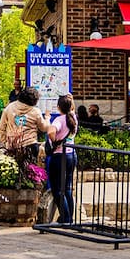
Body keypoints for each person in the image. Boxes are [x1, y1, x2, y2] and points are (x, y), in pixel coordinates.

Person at [46, 93, 78, 225]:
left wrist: (55, 141)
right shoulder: (73, 118)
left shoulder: (59, 120)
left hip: (59, 156)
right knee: (68, 188)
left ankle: (65, 218)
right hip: (71, 154)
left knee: (58, 189)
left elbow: (50, 132)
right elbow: (72, 109)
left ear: (59, 107)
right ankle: (69, 217)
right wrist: (71, 99)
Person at [0, 86, 47, 160]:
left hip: (12, 145)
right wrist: (47, 119)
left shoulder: (9, 108)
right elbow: (43, 128)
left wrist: (5, 142)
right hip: (30, 145)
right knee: (30, 170)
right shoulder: (35, 111)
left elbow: (1, 128)